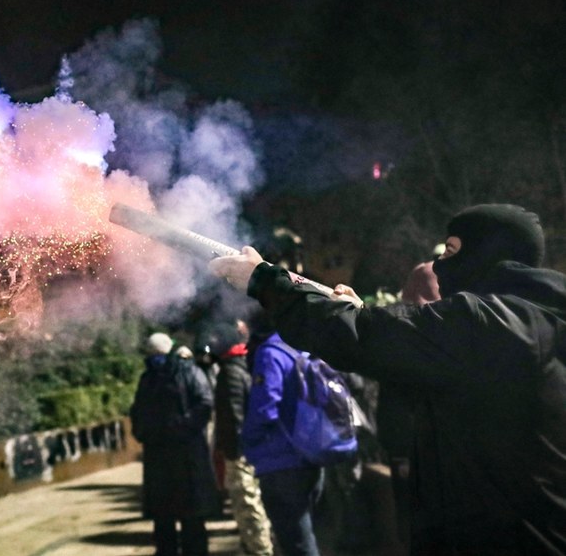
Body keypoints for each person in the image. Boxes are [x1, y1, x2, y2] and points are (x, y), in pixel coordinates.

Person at [209, 203, 566, 555]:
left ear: (489, 254)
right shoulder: (530, 320)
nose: (440, 264)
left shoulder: (493, 322)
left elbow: (372, 338)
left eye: (453, 251)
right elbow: (414, 345)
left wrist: (265, 281)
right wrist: (361, 313)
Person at [242, 315, 326, 556]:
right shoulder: (303, 347)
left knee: (296, 543)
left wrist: (247, 442)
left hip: (281, 461)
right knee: (309, 536)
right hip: (312, 455)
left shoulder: (271, 353)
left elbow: (264, 409)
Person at [130, 332, 219, 556]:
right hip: (163, 459)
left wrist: (177, 427)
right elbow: (138, 413)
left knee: (189, 519)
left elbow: (204, 404)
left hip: (185, 457)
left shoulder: (186, 372)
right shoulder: (149, 378)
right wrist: (145, 433)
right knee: (167, 521)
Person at [376, 260, 440, 548]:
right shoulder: (424, 335)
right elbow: (397, 403)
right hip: (418, 451)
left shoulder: (402, 334)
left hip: (421, 452)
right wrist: (402, 453)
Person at [213, 319, 275, 556]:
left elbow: (234, 415)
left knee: (247, 504)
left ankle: (260, 549)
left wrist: (235, 451)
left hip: (239, 452)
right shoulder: (242, 365)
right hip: (247, 449)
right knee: (251, 503)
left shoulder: (230, 372)